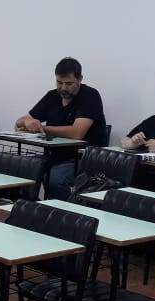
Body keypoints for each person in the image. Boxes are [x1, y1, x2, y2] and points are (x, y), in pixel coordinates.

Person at [14, 57, 107, 199]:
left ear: (80, 79)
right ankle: (31, 207)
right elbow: (19, 123)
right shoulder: (52, 96)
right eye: (59, 82)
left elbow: (77, 133)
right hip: (55, 155)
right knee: (23, 169)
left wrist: (42, 128)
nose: (63, 88)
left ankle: (65, 210)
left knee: (54, 179)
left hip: (83, 158)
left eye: (69, 83)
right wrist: (28, 123)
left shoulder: (90, 96)